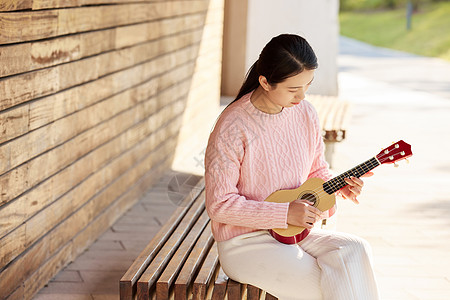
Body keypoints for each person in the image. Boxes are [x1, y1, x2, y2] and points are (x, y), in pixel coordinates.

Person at [204, 34, 379, 300]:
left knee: (355, 250)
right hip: (247, 243)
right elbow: (219, 205)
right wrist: (283, 213)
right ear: (265, 82)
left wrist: (336, 188)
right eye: (293, 90)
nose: (302, 96)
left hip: (297, 232)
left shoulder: (306, 113)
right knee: (334, 287)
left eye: (307, 86)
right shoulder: (233, 125)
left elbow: (316, 171)